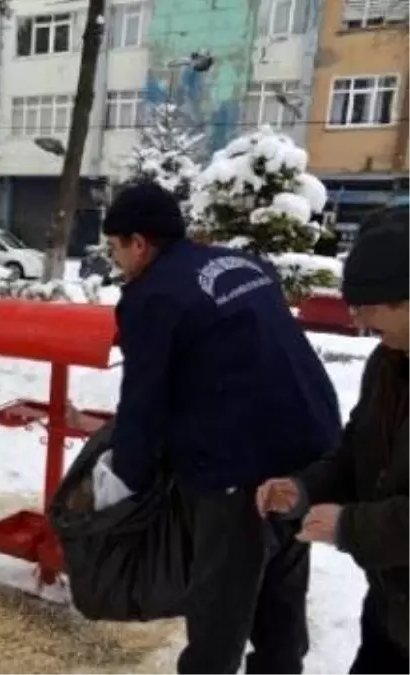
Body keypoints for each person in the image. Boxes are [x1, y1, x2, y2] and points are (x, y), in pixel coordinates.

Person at [102, 182, 342, 675]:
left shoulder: (152, 296)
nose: (115, 260)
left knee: (221, 603)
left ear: (139, 243)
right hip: (313, 443)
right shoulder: (243, 264)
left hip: (241, 462)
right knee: (282, 582)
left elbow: (143, 400)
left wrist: (123, 478)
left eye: (115, 247)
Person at [257, 208, 410, 674]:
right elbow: (354, 453)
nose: (358, 319)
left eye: (369, 304)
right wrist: (304, 489)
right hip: (392, 602)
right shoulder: (386, 364)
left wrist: (351, 527)